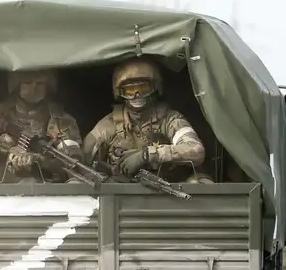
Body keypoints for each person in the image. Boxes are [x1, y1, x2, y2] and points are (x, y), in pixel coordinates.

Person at [82, 58, 213, 184]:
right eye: (130, 90)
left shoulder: (171, 119)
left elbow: (196, 150)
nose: (137, 95)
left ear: (155, 88)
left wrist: (149, 155)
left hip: (169, 190)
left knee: (202, 182)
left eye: (143, 88)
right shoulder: (108, 125)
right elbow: (82, 163)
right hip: (122, 192)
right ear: (119, 92)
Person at [0, 70, 83, 184]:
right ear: (17, 83)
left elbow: (71, 163)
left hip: (40, 182)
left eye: (39, 83)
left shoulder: (58, 118)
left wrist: (40, 161)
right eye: (27, 82)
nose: (34, 87)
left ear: (48, 84)